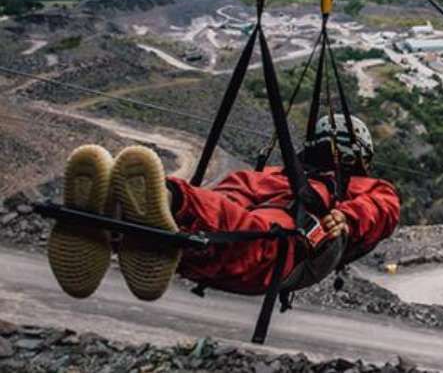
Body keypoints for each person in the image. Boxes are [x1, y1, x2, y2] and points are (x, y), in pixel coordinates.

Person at [47, 115, 400, 301]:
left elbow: (383, 208)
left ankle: (164, 201)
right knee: (229, 200)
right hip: (256, 219)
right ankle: (130, 219)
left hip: (294, 239)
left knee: (253, 225)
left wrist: (347, 217)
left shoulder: (360, 189)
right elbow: (229, 195)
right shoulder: (275, 176)